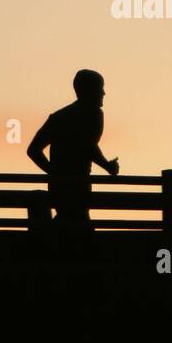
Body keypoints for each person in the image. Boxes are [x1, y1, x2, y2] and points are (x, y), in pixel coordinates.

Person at [27, 69, 119, 234]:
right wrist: (107, 166)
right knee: (77, 225)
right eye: (100, 88)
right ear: (88, 90)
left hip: (60, 186)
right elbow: (88, 146)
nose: (104, 93)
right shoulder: (94, 115)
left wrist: (54, 173)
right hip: (78, 185)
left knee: (70, 222)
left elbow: (33, 150)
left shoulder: (58, 118)